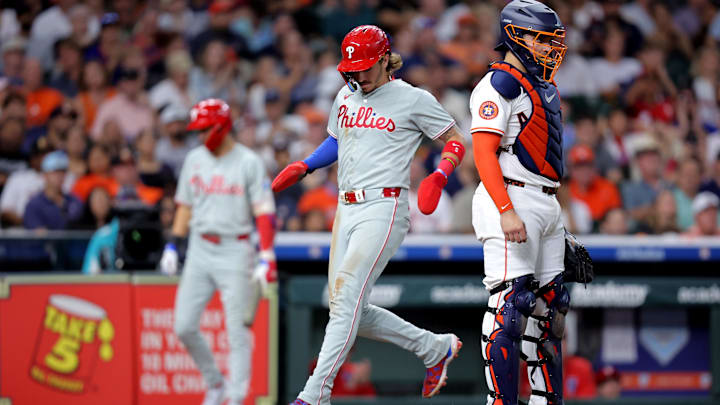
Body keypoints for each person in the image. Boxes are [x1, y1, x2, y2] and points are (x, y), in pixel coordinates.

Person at [272, 25, 466, 405]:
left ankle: (314, 395)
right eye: (352, 67)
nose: (357, 75)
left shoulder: (412, 98)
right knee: (345, 306)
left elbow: (456, 137)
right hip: (345, 206)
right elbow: (336, 139)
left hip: (384, 205)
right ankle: (433, 348)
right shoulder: (346, 94)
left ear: (383, 59)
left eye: (364, 66)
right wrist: (307, 165)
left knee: (344, 298)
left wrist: (440, 175)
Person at [469, 1, 570, 404]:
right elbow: (483, 154)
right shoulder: (499, 85)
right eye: (542, 41)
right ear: (517, 36)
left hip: (545, 201)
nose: (549, 49)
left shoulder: (540, 87)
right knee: (510, 309)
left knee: (549, 314)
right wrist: (506, 210)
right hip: (510, 195)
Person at [159, 99, 277, 405]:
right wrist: (173, 243)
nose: (199, 136)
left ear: (222, 127)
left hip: (235, 248)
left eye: (204, 129)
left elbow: (264, 212)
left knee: (237, 330)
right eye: (197, 131)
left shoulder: (248, 161)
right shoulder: (195, 159)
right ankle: (215, 382)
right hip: (199, 246)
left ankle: (236, 398)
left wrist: (266, 255)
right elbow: (184, 205)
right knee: (183, 325)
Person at [23, 150, 83, 229]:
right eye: (55, 172)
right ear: (45, 175)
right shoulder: (33, 204)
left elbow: (75, 225)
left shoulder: (74, 201)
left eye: (63, 172)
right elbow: (39, 234)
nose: (60, 176)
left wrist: (63, 205)